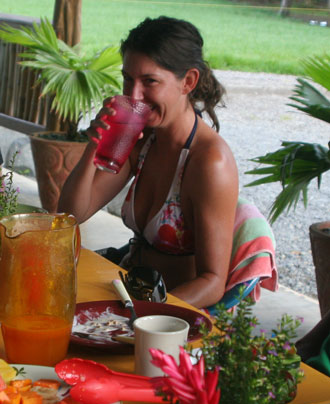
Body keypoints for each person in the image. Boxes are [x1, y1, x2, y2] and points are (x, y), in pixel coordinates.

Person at [58, 16, 239, 309]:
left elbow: (213, 282)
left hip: (172, 314)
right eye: (127, 78)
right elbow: (69, 215)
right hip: (129, 290)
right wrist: (94, 146)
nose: (133, 95)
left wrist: (146, 318)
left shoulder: (209, 162)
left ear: (188, 81)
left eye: (149, 81)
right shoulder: (142, 140)